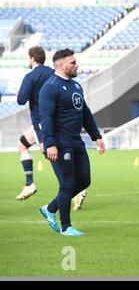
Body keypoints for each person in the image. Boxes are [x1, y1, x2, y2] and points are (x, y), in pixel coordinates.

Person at [38, 49, 106, 236]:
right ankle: (66, 227)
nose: (77, 65)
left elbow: (85, 113)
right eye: (73, 62)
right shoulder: (50, 87)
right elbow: (46, 118)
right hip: (59, 143)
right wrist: (50, 143)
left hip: (76, 142)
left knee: (84, 180)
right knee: (67, 184)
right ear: (61, 65)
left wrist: (96, 136)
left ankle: (50, 208)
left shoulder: (76, 86)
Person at [15, 46, 54, 200]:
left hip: (41, 123)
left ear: (32, 58)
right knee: (22, 145)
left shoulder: (30, 76)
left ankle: (75, 189)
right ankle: (29, 184)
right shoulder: (53, 73)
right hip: (52, 120)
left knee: (52, 157)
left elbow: (21, 100)